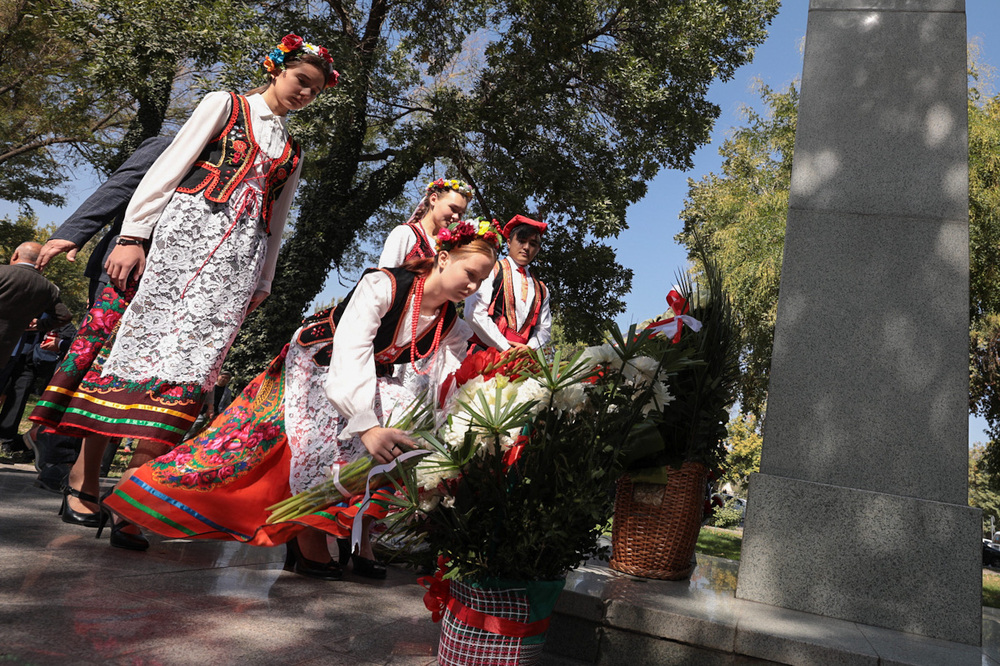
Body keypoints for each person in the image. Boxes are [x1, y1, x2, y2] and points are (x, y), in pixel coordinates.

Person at [30, 33, 339, 536]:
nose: (305, 93)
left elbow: (275, 219)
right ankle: (84, 482)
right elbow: (167, 170)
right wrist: (132, 236)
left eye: (315, 89)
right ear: (277, 70)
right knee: (130, 358)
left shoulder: (293, 151)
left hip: (232, 271)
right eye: (301, 80)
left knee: (189, 375)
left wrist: (263, 279)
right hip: (176, 249)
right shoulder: (226, 104)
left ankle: (133, 500)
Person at [102, 220, 500, 578]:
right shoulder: (384, 286)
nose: (473, 286)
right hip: (311, 366)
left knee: (378, 445)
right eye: (470, 273)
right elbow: (351, 350)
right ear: (443, 258)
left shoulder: (452, 324)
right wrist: (366, 423)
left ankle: (315, 535)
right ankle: (133, 501)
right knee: (241, 453)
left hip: (354, 381)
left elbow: (440, 384)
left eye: (481, 281)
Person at [466, 215, 551, 352]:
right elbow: (474, 313)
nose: (526, 247)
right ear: (509, 242)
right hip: (483, 354)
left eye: (533, 244)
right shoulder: (491, 270)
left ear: (538, 250)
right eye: (521, 241)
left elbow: (544, 329)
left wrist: (530, 347)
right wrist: (505, 347)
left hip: (519, 362)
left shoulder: (542, 289)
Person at [0, 242, 72, 400]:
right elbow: (64, 317)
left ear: (15, 255)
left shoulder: (2, 272)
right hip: (7, 353)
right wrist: (38, 325)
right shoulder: (47, 287)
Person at [377, 178, 473, 267]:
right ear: (433, 199)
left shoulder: (452, 247)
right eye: (453, 208)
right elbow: (384, 278)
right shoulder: (405, 234)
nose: (456, 217)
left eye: (460, 214)